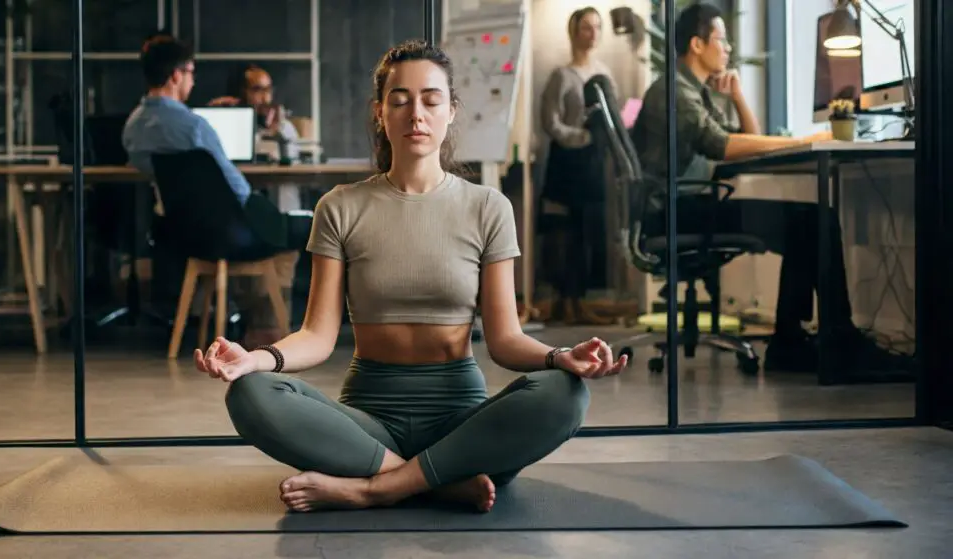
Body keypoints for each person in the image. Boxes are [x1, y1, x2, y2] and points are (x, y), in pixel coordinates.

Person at [193, 39, 629, 513]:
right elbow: (318, 336)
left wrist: (562, 357)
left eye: (430, 99)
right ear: (380, 112)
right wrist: (255, 359)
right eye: (399, 100)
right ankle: (438, 480)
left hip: (463, 424)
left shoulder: (488, 208)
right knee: (250, 393)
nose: (415, 113)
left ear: (451, 110)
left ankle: (375, 487)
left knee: (564, 394)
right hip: (367, 423)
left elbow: (505, 341)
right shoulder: (339, 207)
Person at [631, 2, 900, 372]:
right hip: (676, 213)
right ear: (697, 44)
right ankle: (830, 342)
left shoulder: (692, 91)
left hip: (686, 207)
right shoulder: (673, 92)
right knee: (812, 220)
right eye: (721, 40)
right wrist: (800, 142)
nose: (727, 49)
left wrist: (739, 96)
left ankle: (793, 341)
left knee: (808, 220)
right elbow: (722, 146)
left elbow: (744, 142)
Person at [121, 35, 293, 347]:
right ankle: (269, 329)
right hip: (230, 232)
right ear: (176, 75)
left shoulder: (133, 128)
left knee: (245, 231)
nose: (193, 80)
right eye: (190, 72)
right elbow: (236, 189)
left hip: (183, 234)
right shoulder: (193, 126)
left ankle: (233, 320)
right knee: (292, 232)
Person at [538, 6, 626, 325]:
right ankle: (565, 301)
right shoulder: (561, 75)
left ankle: (582, 300)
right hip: (567, 162)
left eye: (597, 27)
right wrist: (582, 137)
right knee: (565, 233)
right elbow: (550, 122)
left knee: (589, 231)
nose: (593, 34)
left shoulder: (604, 73)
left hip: (594, 163)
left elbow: (614, 115)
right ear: (574, 32)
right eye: (587, 27)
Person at [209, 64, 301, 161]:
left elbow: (293, 161)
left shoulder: (284, 126)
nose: (265, 98)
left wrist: (279, 130)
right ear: (243, 92)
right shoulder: (232, 124)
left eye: (268, 90)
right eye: (257, 90)